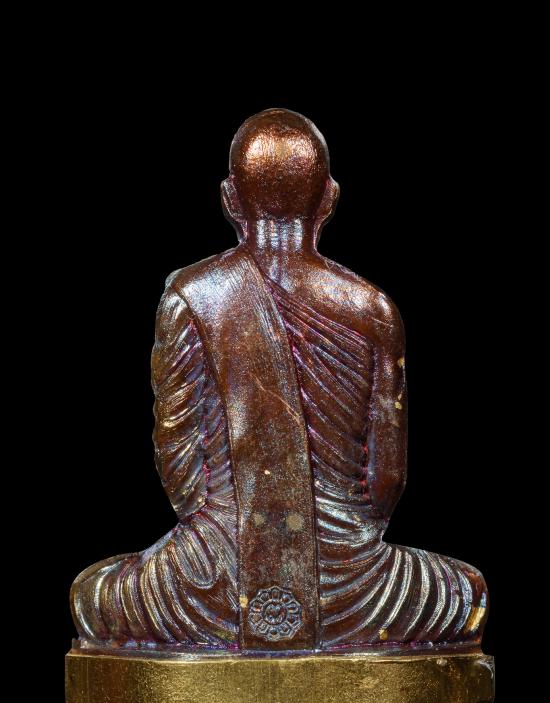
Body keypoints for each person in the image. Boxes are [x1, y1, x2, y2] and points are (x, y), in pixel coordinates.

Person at [71, 109, 487, 650]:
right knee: (463, 594)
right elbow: (386, 481)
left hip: (212, 579)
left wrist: (219, 537)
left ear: (229, 200)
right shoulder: (373, 310)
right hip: (354, 584)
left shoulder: (190, 297)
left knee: (95, 596)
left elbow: (176, 457)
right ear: (330, 199)